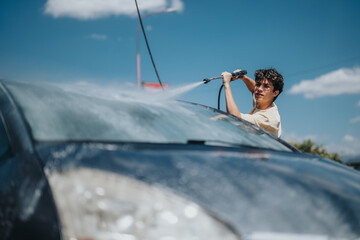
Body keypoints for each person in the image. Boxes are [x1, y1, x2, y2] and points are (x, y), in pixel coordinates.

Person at [221, 68, 284, 138]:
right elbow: (253, 88)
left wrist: (226, 84)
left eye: (266, 86)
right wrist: (243, 77)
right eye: (258, 84)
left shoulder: (267, 118)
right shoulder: (265, 102)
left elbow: (234, 117)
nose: (259, 89)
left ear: (275, 93)